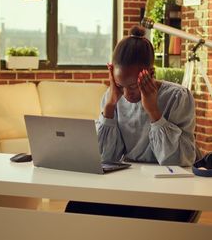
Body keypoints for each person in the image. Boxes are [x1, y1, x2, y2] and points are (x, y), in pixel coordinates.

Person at [65, 25, 200, 222]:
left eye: (133, 86)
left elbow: (180, 160)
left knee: (142, 221)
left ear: (151, 73)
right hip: (130, 185)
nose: (127, 95)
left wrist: (153, 110)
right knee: (76, 209)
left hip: (170, 189)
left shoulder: (177, 97)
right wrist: (110, 105)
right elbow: (105, 157)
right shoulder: (112, 98)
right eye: (120, 85)